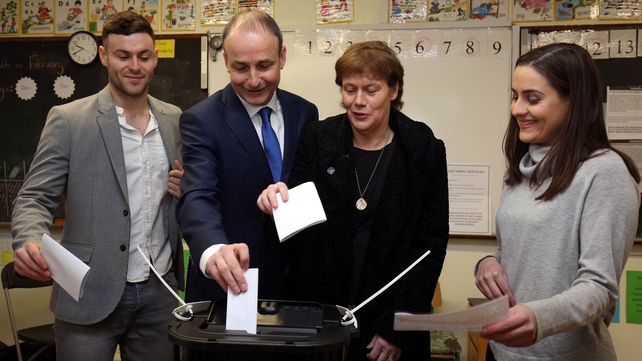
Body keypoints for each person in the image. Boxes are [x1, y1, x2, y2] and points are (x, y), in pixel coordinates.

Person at [258, 40, 449, 361]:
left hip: (389, 323)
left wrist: (395, 327)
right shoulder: (318, 139)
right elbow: (293, 234)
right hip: (322, 319)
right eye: (349, 89)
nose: (358, 102)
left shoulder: (423, 149)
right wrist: (273, 206)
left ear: (394, 90)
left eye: (371, 90)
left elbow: (429, 248)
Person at [11, 11, 183, 361]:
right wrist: (28, 238)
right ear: (105, 56)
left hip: (161, 290)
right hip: (88, 291)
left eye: (143, 56)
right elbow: (34, 197)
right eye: (123, 56)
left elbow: (185, 195)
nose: (134, 66)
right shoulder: (69, 119)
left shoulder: (175, 119)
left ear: (155, 58)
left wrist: (187, 189)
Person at [474, 43, 640, 361]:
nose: (517, 109)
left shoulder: (605, 172)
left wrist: (540, 318)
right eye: (515, 95)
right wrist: (487, 263)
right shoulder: (522, 168)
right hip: (501, 353)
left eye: (532, 98)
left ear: (573, 101)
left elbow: (599, 287)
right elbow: (517, 252)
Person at [176, 9, 318, 302]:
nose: (254, 80)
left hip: (298, 284)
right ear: (226, 62)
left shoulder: (305, 113)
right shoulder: (201, 120)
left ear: (282, 57)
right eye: (241, 67)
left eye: (264, 65)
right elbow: (197, 195)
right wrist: (214, 249)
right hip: (232, 283)